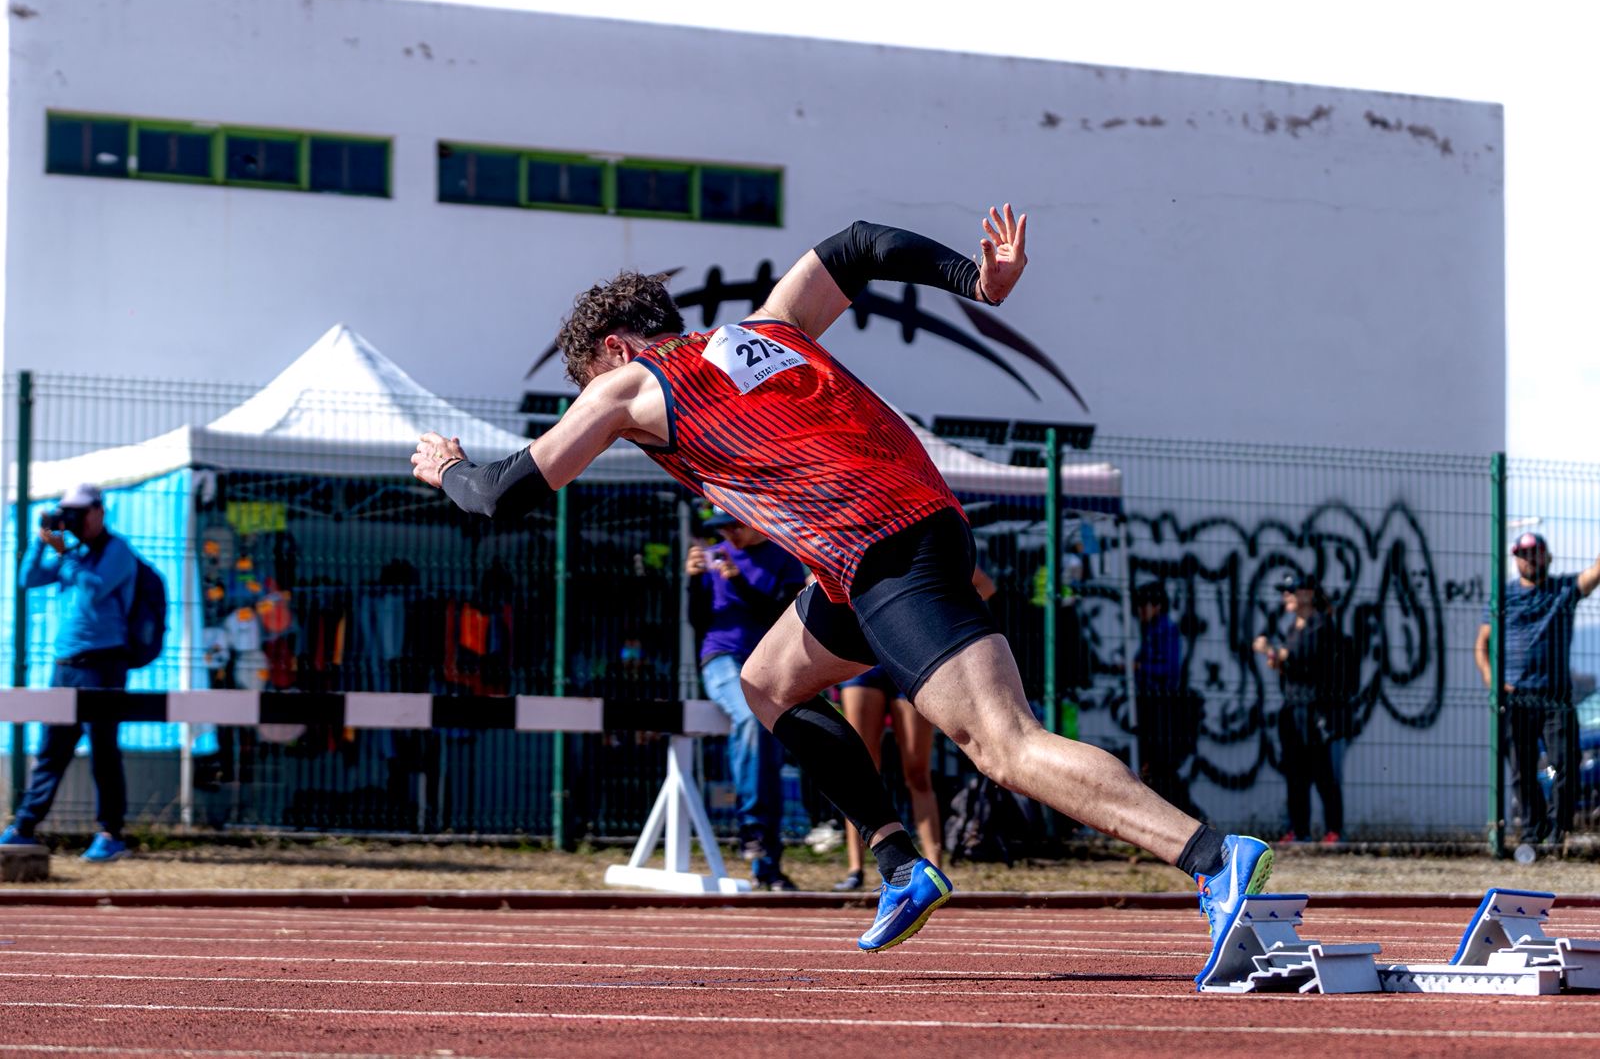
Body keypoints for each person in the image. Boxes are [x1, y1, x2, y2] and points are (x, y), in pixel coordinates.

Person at [412, 203, 1271, 972]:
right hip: (874, 550)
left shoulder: (627, 383)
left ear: (611, 351)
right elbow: (858, 246)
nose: (595, 407)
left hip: (885, 551)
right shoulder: (769, 327)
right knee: (768, 682)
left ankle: (1211, 858)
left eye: (588, 383)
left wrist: (449, 468)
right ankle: (900, 861)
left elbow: (505, 494)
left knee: (1003, 746)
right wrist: (976, 282)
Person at [833, 567, 996, 892]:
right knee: (861, 768)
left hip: (906, 659)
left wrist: (935, 615)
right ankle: (856, 868)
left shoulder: (912, 534)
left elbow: (984, 585)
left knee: (917, 769)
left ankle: (935, 865)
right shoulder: (845, 533)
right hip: (860, 663)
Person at [0, 483, 135, 862]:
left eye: (78, 511)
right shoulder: (71, 553)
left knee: (103, 751)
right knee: (51, 749)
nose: (72, 518)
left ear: (98, 511)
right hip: (65, 667)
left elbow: (94, 590)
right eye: (66, 512)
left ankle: (112, 834)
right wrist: (44, 542)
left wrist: (65, 554)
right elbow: (28, 579)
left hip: (103, 664)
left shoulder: (117, 551)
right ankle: (24, 827)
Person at [687, 505, 808, 890]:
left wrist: (738, 582)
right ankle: (753, 830)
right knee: (754, 720)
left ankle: (766, 863)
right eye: (720, 528)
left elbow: (783, 617)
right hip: (721, 657)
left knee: (769, 744)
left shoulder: (785, 558)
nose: (728, 535)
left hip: (769, 662)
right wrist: (692, 582)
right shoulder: (712, 556)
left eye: (734, 526)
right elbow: (698, 620)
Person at [1473, 532, 1600, 847]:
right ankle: (1532, 831)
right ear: (1515, 558)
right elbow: (1482, 646)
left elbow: (1594, 573)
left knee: (1565, 765)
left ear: (1548, 556)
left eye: (1536, 552)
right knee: (1521, 770)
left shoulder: (1563, 590)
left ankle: (1558, 834)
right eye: (1523, 553)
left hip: (1556, 697)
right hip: (1515, 698)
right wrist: (1494, 682)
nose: (1530, 558)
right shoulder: (1503, 597)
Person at [1253, 571, 1344, 844]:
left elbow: (1302, 657)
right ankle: (1299, 830)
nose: (1286, 596)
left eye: (1291, 591)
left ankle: (1333, 831)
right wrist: (1277, 660)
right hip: (1292, 707)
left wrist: (1271, 650)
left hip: (1314, 709)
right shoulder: (1295, 627)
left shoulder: (1320, 625)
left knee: (1321, 771)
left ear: (1307, 594)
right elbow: (1290, 664)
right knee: (1295, 773)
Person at [1133, 581, 1204, 822]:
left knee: (1160, 766)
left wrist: (1141, 667)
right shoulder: (1153, 630)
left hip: (1161, 705)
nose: (1139, 611)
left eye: (1144, 605)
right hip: (1151, 704)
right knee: (1154, 766)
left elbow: (1170, 669)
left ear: (1158, 605)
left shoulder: (1165, 630)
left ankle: (1191, 818)